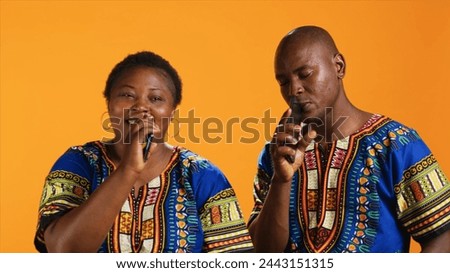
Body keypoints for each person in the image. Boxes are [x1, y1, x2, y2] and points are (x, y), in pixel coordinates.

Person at [248, 25, 450, 253]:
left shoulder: (396, 144)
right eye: (283, 82)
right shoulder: (277, 153)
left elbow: (443, 238)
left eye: (304, 74)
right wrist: (281, 181)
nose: (294, 89)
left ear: (339, 67)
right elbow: (262, 254)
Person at [34, 51, 254, 253]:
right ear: (109, 104)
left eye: (156, 99)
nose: (141, 106)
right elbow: (63, 251)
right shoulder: (79, 162)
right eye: (127, 95)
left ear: (171, 113)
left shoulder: (202, 175)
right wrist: (129, 170)